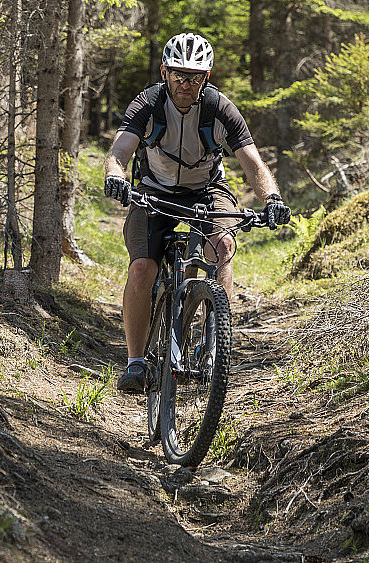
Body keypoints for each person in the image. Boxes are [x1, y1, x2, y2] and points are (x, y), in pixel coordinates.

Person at [103, 32, 291, 393]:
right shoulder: (148, 104)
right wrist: (115, 177)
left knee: (221, 246)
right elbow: (119, 152)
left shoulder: (220, 109)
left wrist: (272, 199)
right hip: (153, 192)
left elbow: (253, 163)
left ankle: (213, 341)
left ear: (206, 78)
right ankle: (136, 362)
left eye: (195, 77)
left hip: (207, 190)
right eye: (179, 75)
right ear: (164, 72)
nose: (186, 84)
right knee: (143, 267)